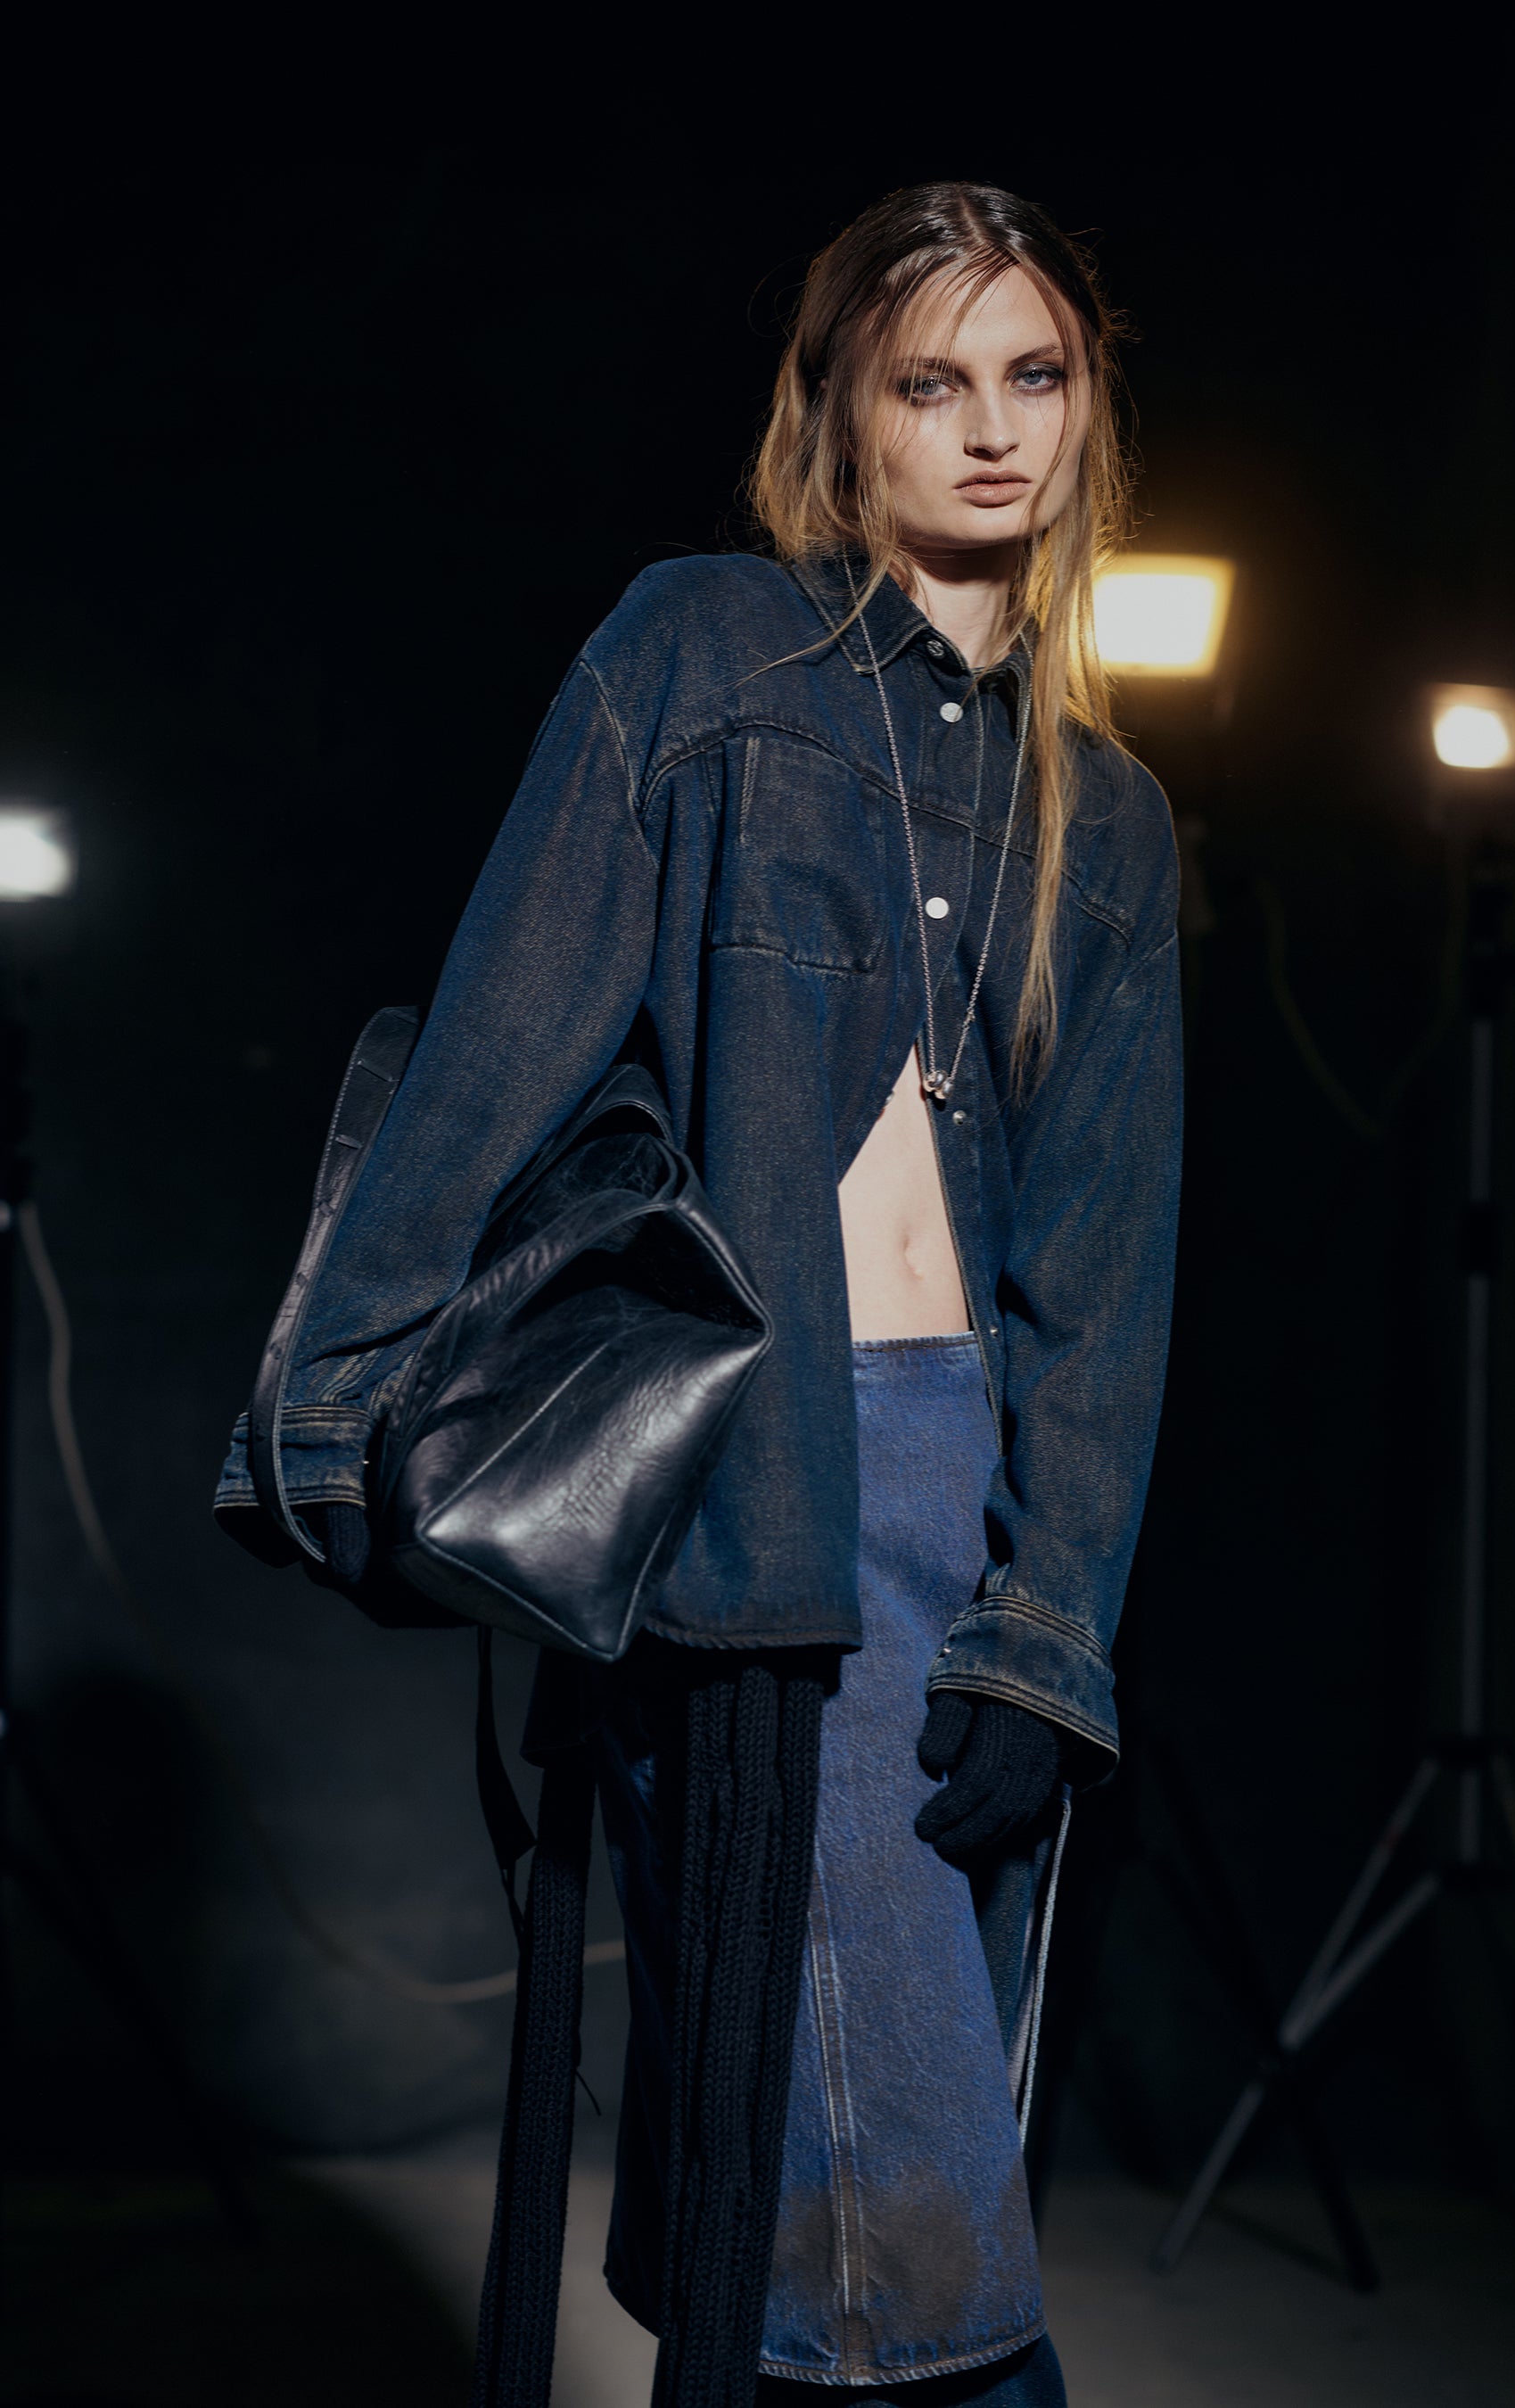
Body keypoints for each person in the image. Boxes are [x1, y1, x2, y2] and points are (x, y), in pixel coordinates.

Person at [216, 181, 1182, 2407]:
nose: (991, 429)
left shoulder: (1108, 819)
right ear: (839, 411)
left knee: (837, 2199)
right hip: (764, 1483)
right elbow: (505, 1032)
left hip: (971, 1517)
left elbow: (1106, 1266)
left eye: (1034, 374)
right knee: (897, 2252)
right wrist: (336, 1401)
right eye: (930, 381)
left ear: (1087, 408)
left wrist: (1051, 1632)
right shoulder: (704, 654)